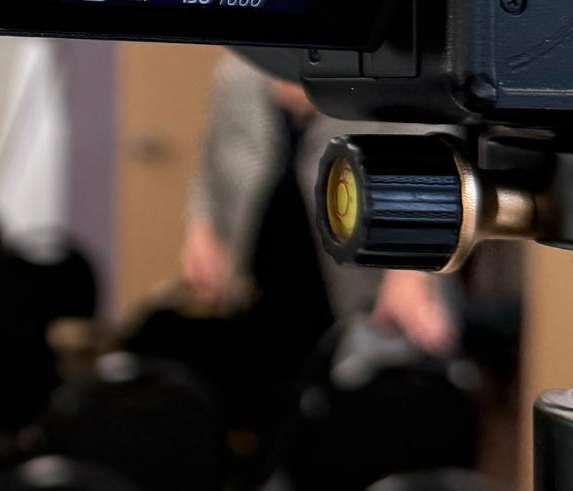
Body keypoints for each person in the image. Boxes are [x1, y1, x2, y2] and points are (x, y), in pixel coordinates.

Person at [182, 54, 454, 359]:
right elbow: (212, 158)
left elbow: (436, 172)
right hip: (260, 284)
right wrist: (201, 229)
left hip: (364, 296)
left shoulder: (394, 72)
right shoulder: (239, 71)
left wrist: (410, 273)